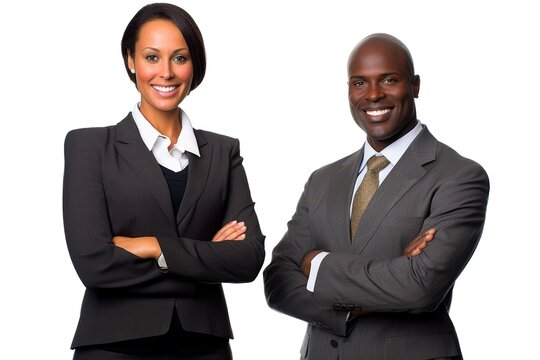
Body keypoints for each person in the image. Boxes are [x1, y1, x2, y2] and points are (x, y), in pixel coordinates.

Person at [263, 33, 489, 360]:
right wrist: (349, 310)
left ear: (415, 85)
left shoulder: (458, 176)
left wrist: (317, 265)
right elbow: (278, 282)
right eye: (359, 83)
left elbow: (420, 287)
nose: (373, 95)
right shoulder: (322, 179)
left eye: (388, 80)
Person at [63, 3, 264, 359]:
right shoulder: (90, 146)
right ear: (130, 60)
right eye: (152, 57)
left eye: (180, 58)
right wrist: (206, 258)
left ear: (194, 64)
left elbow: (247, 259)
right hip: (113, 346)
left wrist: (155, 246)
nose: (166, 73)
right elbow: (93, 264)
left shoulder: (222, 151)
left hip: (205, 347)